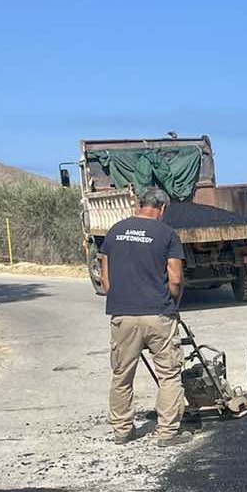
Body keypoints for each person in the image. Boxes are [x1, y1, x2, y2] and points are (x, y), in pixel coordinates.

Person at [99, 187, 192, 447]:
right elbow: (175, 279)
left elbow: (105, 280)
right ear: (163, 208)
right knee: (169, 375)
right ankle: (167, 433)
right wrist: (173, 303)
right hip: (158, 314)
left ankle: (122, 430)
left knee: (122, 375)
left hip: (122, 315)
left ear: (139, 205)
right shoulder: (167, 234)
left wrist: (122, 300)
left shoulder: (114, 231)